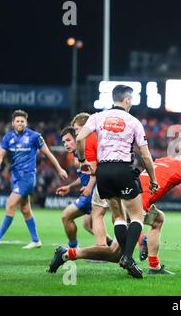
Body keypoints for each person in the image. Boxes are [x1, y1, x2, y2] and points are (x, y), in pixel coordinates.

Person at [48, 153, 181, 274]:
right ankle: (67, 253)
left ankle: (154, 265)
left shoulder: (166, 160)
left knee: (158, 218)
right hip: (135, 202)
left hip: (128, 194)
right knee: (117, 254)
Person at [75, 84, 159, 279]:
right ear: (127, 100)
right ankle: (128, 257)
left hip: (103, 171)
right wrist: (153, 179)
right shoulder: (133, 121)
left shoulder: (97, 117)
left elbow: (80, 138)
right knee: (137, 216)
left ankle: (125, 257)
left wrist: (82, 161)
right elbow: (145, 155)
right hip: (123, 169)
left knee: (118, 217)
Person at [0, 110, 67, 249]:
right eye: (17, 121)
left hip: (27, 177)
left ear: (26, 122)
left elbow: (48, 153)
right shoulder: (8, 137)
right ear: (13, 123)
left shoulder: (35, 136)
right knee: (25, 209)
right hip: (15, 176)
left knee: (10, 205)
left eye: (22, 121)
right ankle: (36, 240)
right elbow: (0, 154)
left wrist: (59, 169)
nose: (20, 123)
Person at [71, 112, 112, 247]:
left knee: (97, 217)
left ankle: (103, 250)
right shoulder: (98, 136)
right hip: (113, 176)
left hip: (102, 182)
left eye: (77, 129)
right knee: (88, 223)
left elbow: (93, 169)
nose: (76, 134)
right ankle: (112, 245)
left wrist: (89, 187)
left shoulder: (87, 140)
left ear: (84, 127)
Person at [55, 126, 97, 248]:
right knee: (88, 225)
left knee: (66, 216)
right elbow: (84, 176)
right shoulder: (77, 154)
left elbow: (95, 171)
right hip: (91, 191)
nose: (66, 144)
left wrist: (89, 187)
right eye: (64, 142)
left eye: (68, 140)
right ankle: (109, 247)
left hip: (92, 192)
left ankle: (73, 248)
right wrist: (70, 187)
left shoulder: (83, 152)